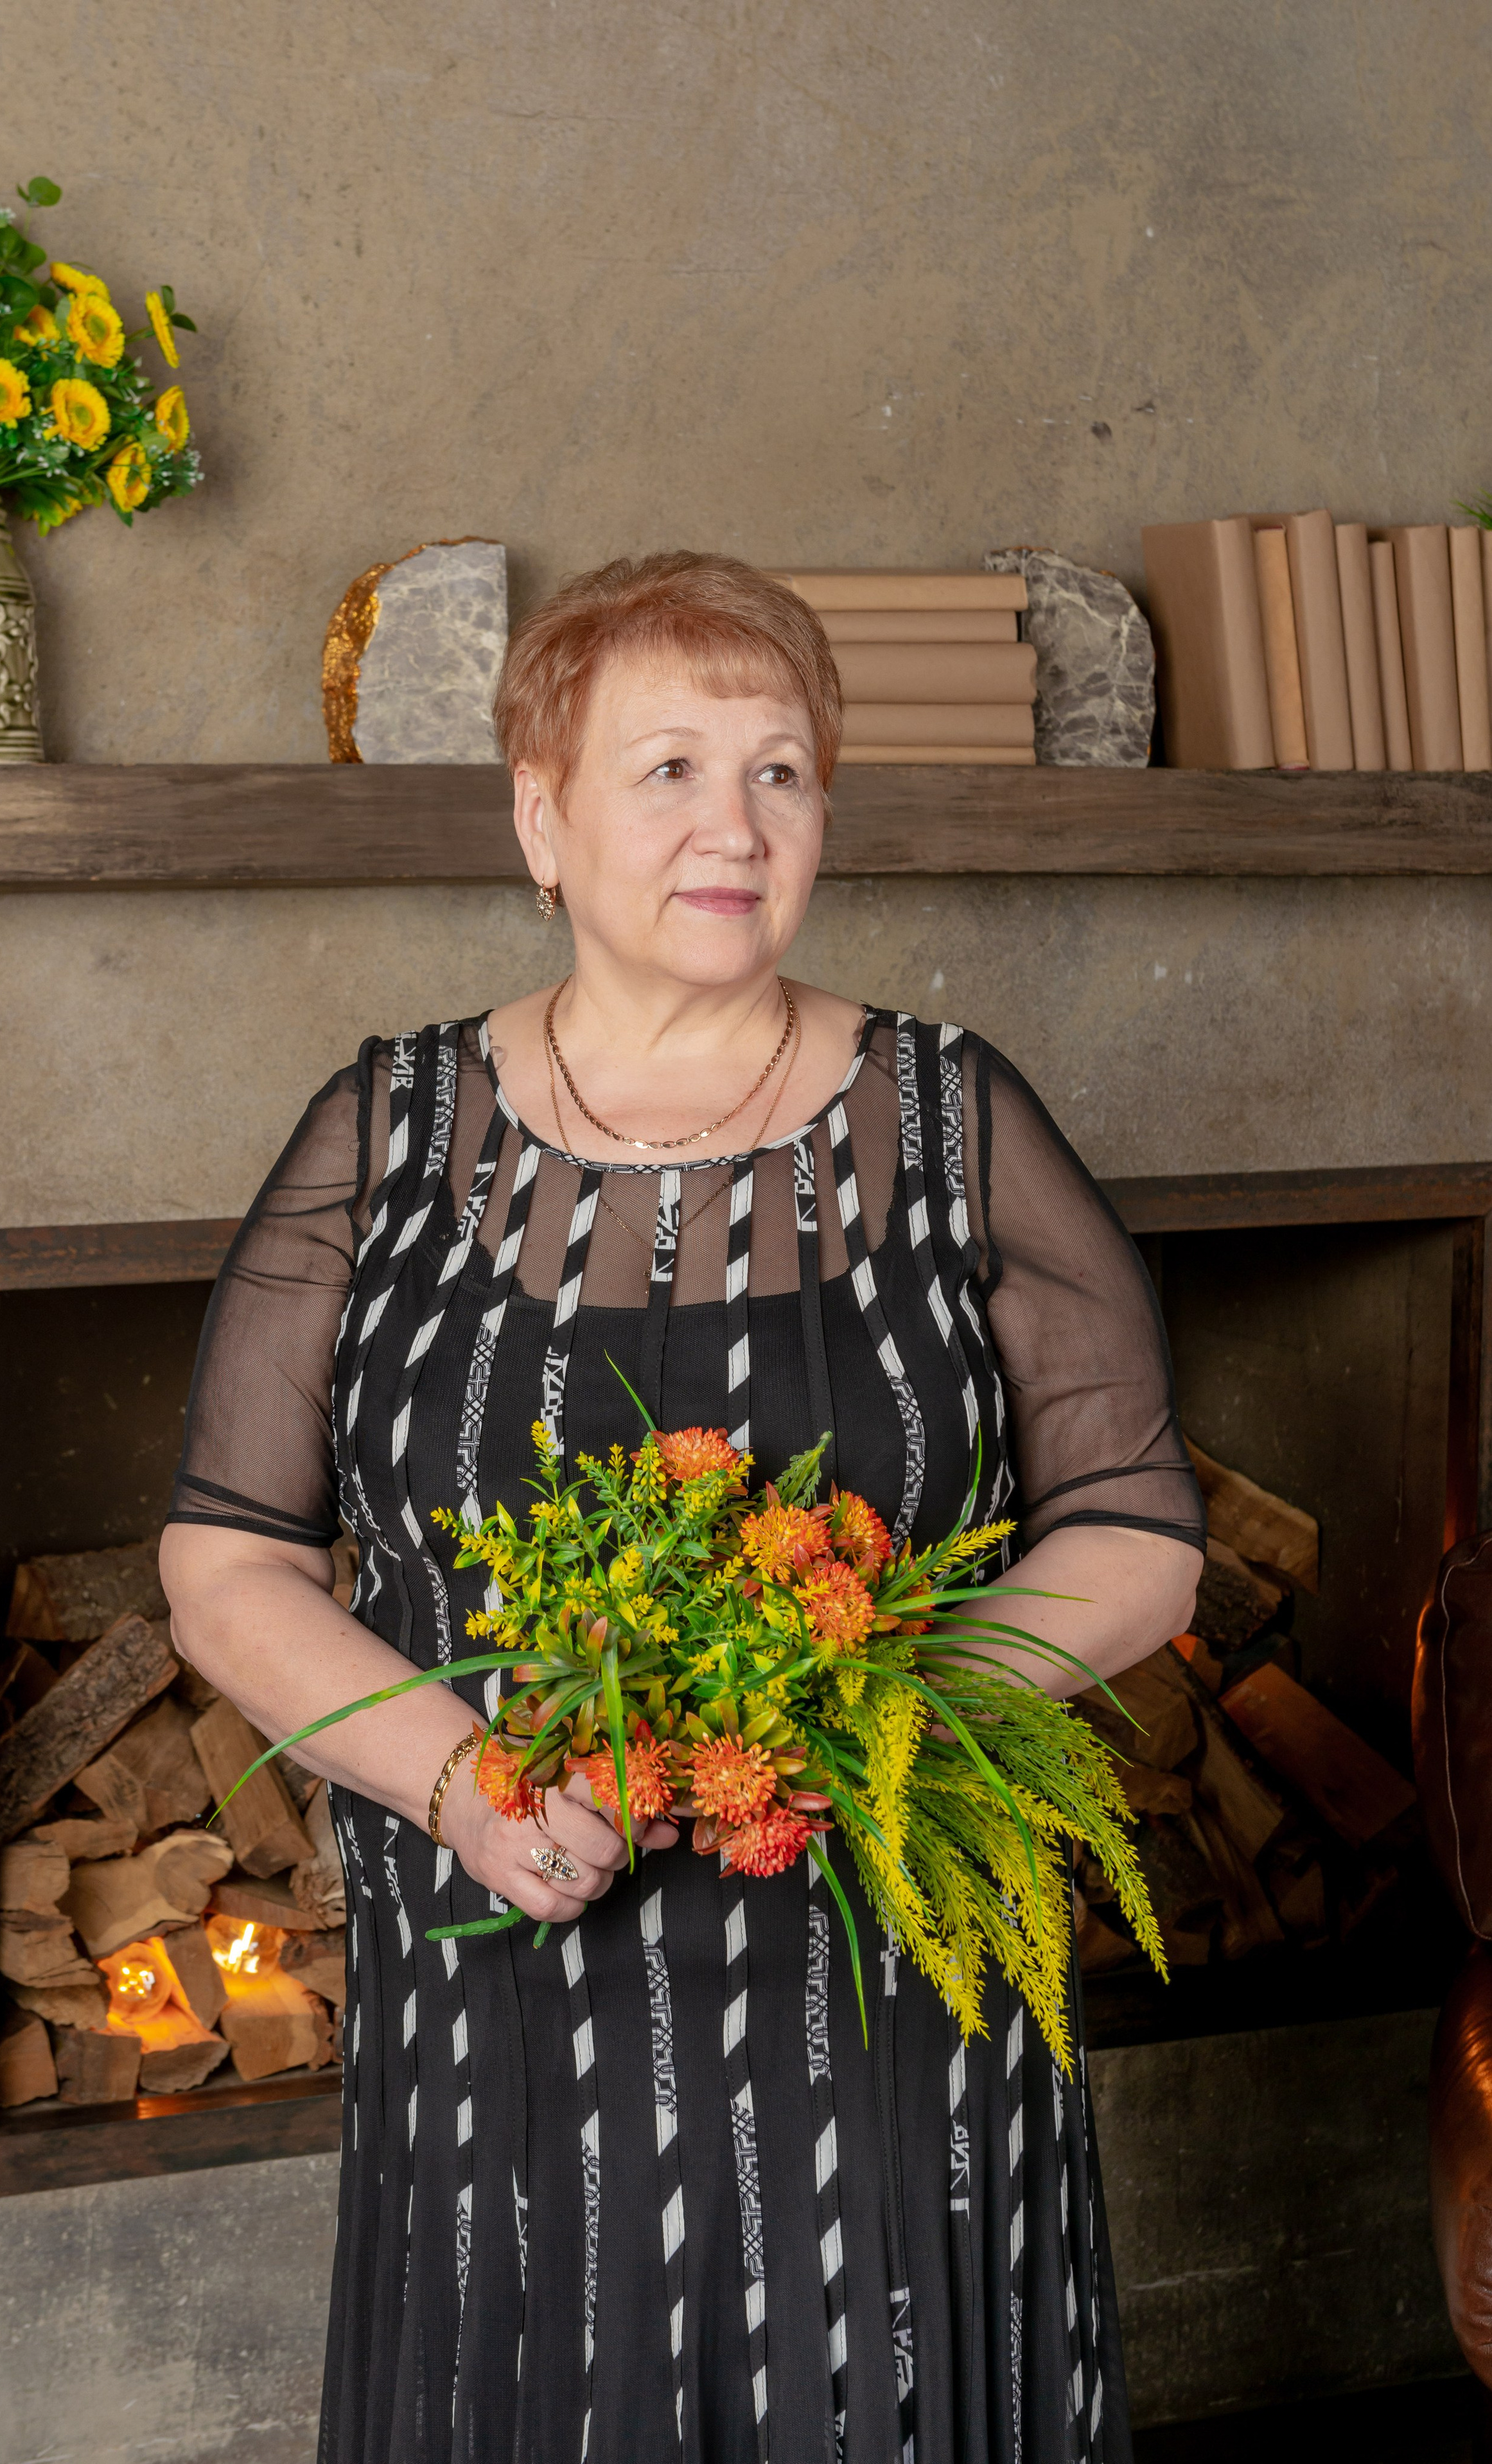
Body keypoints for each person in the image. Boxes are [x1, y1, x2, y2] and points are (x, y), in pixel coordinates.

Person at [161, 550, 1204, 2464]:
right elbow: (226, 1558)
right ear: (539, 816)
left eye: (782, 772)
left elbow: (1135, 1520)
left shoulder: (954, 1120)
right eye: (668, 770)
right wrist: (461, 1781)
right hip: (505, 2007)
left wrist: (868, 1716)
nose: (735, 826)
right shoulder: (384, 1131)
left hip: (884, 1999)